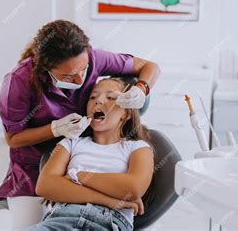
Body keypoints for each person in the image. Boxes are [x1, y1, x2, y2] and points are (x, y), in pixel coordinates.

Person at [0, 20, 160, 229]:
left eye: (83, 70)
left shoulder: (136, 148)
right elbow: (14, 140)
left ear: (127, 113)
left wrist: (142, 87)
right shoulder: (18, 82)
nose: (79, 81)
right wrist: (55, 129)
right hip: (32, 168)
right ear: (45, 67)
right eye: (67, 76)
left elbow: (149, 66)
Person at [27, 77, 154, 231]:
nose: (98, 101)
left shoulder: (138, 148)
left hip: (110, 223)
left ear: (125, 113)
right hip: (60, 219)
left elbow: (133, 188)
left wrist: (77, 176)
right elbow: (44, 186)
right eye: (93, 97)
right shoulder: (71, 143)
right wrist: (110, 200)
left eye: (111, 97)